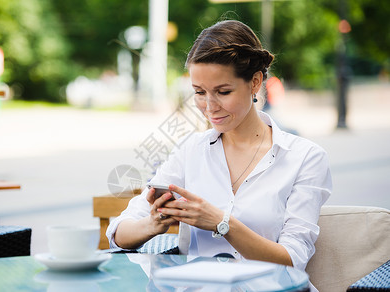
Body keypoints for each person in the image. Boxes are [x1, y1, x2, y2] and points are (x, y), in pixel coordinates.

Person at [106, 19, 332, 287]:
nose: (209, 106)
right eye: (199, 92)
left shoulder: (305, 157)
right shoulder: (191, 150)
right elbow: (117, 232)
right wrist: (153, 224)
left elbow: (292, 262)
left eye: (223, 92)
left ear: (255, 82)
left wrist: (221, 223)